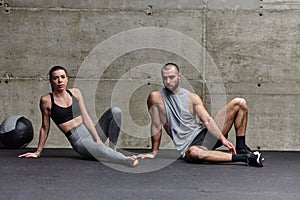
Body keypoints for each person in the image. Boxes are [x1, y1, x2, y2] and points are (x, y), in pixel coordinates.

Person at [138, 63, 263, 167]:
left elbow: (207, 120)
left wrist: (223, 139)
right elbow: (156, 125)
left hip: (206, 134)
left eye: (172, 77)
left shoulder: (192, 97)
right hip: (190, 145)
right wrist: (154, 152)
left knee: (239, 103)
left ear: (179, 76)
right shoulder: (155, 97)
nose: (168, 81)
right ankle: (245, 157)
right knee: (193, 153)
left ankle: (241, 147)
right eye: (165, 78)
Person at [19, 66, 138, 167]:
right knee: (101, 150)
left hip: (91, 132)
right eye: (56, 78)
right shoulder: (46, 100)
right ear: (51, 81)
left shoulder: (75, 93)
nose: (60, 80)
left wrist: (97, 139)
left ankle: (113, 150)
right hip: (79, 141)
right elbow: (45, 128)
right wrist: (38, 152)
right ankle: (124, 160)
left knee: (115, 111)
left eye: (63, 77)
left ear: (67, 79)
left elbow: (85, 117)